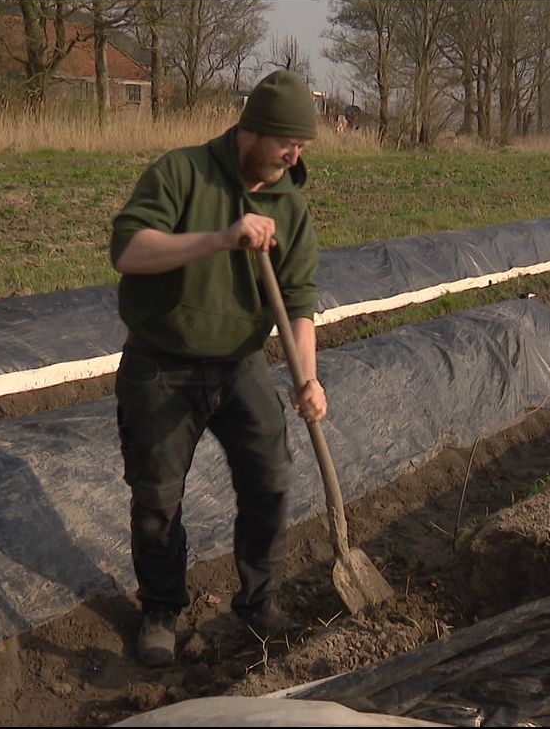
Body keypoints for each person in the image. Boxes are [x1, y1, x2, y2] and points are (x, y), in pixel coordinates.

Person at [109, 70, 327, 667]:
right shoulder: (182, 173)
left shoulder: (291, 205)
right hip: (160, 363)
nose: (294, 154)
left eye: (303, 147)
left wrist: (307, 378)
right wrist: (219, 239)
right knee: (156, 501)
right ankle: (159, 609)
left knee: (271, 480)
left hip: (239, 362)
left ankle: (259, 603)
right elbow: (128, 250)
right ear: (252, 129)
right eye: (288, 141)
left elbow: (299, 302)